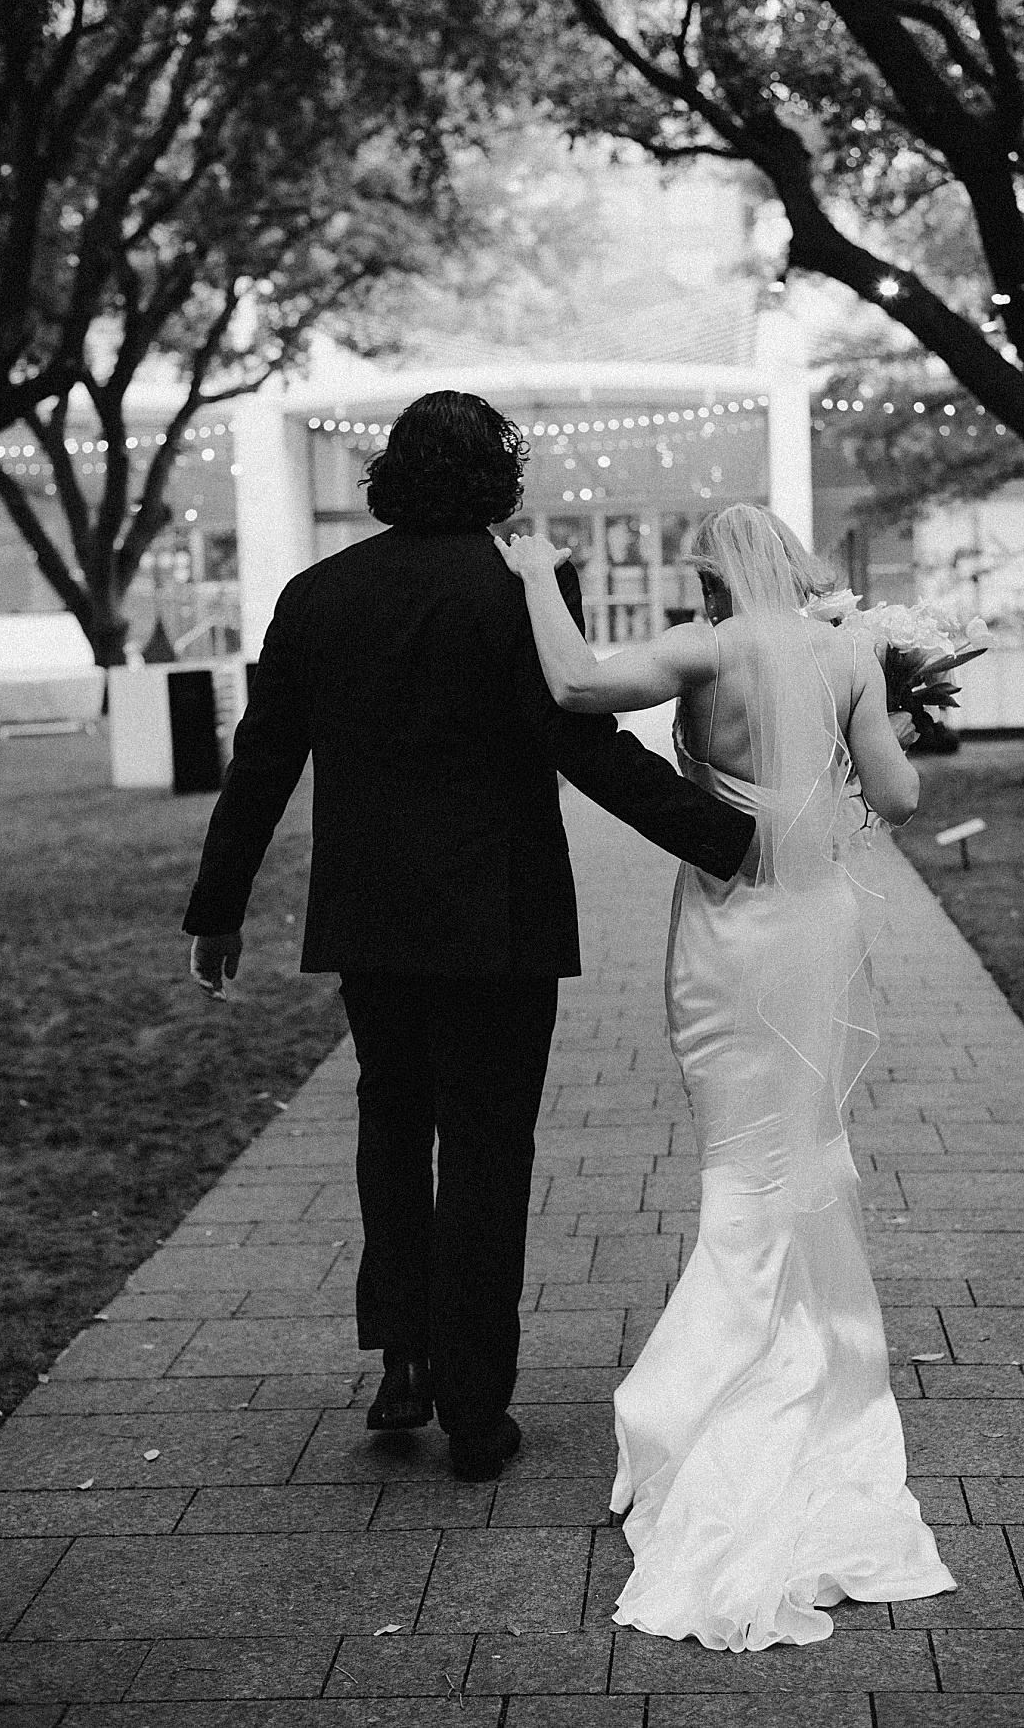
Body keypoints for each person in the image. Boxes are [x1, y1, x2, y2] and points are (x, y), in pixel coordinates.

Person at [182, 391, 756, 1483]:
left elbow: (263, 760)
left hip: (369, 917)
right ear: (498, 474)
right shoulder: (521, 589)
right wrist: (728, 836)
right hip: (501, 916)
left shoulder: (317, 595)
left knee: (392, 1123)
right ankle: (476, 1409)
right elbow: (582, 746)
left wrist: (218, 907)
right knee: (489, 1147)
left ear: (393, 473)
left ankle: (404, 1356)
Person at [497, 502, 955, 1649]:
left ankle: (708, 1384)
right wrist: (873, 721)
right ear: (798, 568)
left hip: (726, 925)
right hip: (816, 921)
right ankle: (815, 1349)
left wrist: (538, 571)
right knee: (805, 1143)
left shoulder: (704, 650)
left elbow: (575, 683)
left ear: (712, 577)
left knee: (738, 1156)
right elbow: (900, 799)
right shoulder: (848, 655)